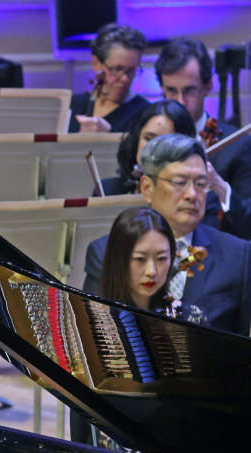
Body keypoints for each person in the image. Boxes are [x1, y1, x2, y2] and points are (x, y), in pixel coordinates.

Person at [85, 134, 251, 336]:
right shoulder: (105, 251)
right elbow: (94, 332)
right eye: (180, 182)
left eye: (201, 183)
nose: (192, 194)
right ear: (147, 187)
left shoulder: (238, 256)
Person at [101, 99, 251, 237]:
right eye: (149, 138)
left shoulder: (201, 200)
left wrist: (218, 184)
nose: (155, 149)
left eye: (167, 141)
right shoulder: (107, 190)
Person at [154, 38, 251, 207]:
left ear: (208, 86)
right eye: (171, 90)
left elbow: (247, 217)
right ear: (162, 89)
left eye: (189, 90)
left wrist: (219, 186)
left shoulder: (238, 145)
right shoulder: (150, 139)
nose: (180, 101)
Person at [99, 206, 204, 323]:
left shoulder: (190, 318)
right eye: (140, 259)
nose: (151, 271)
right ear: (117, 259)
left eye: (161, 258)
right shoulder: (95, 318)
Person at [69, 23, 149, 134]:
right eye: (117, 69)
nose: (125, 79)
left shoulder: (145, 114)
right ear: (96, 63)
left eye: (131, 70)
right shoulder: (71, 106)